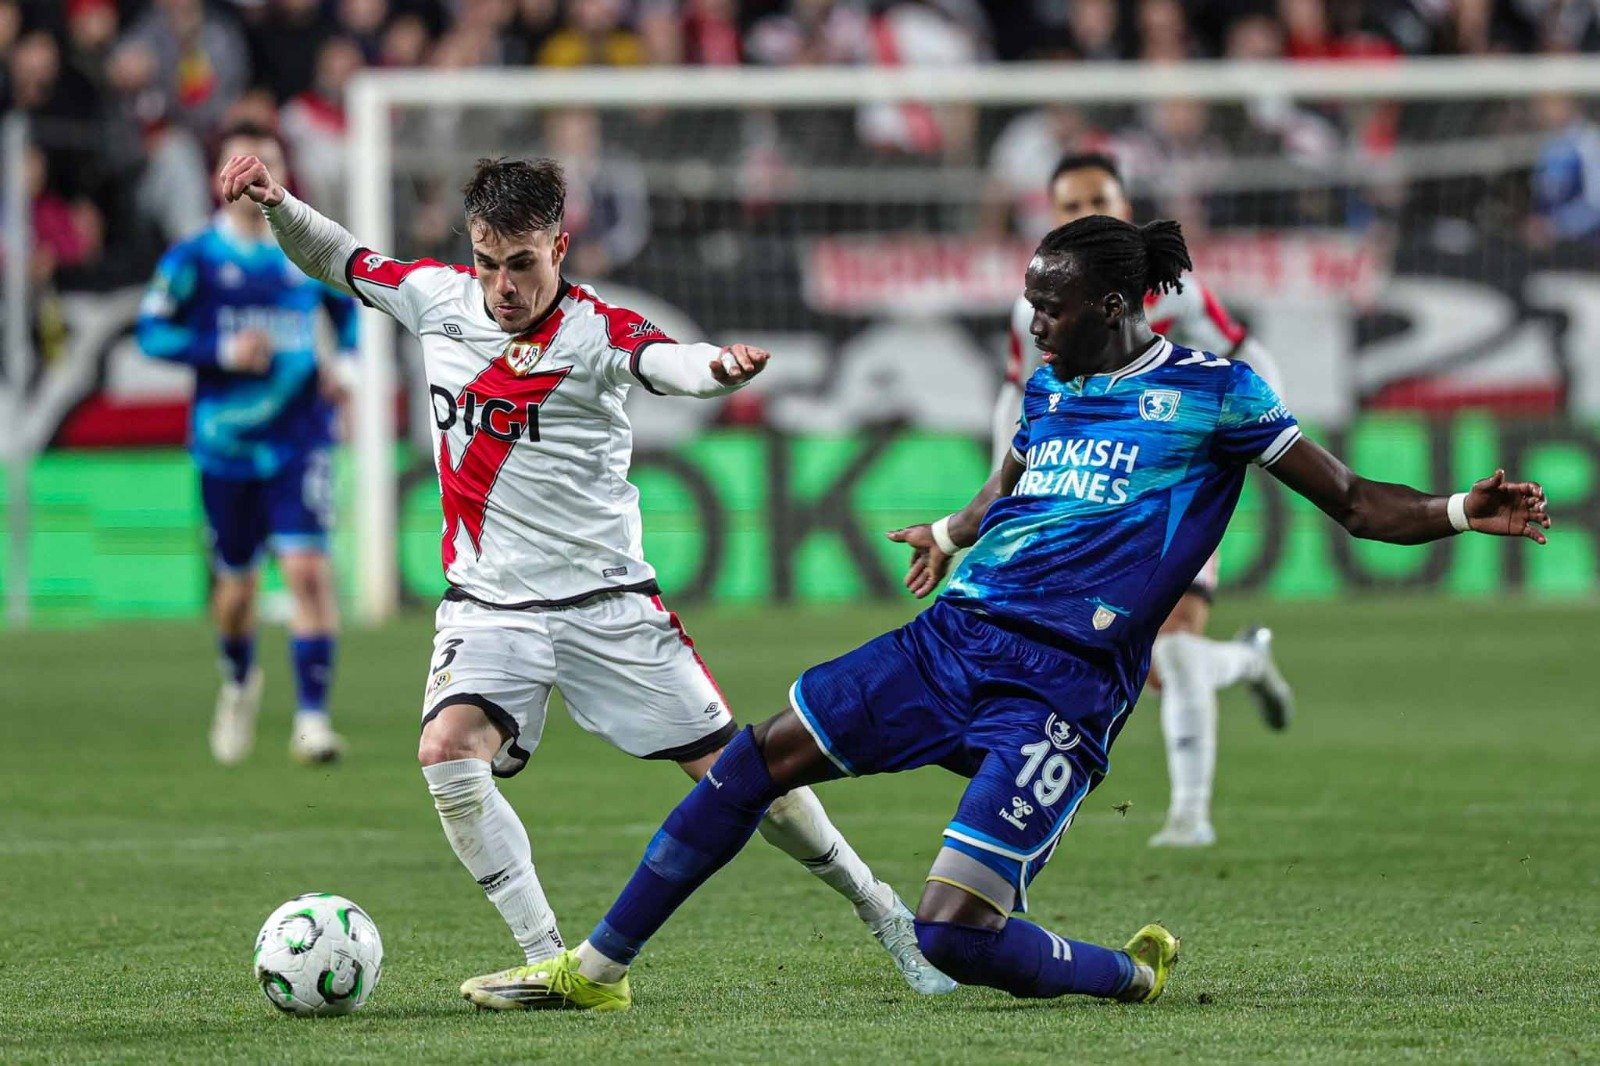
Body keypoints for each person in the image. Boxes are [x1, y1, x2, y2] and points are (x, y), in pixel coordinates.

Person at [489, 214, 1549, 1011]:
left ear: (1115, 306)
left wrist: (1461, 509)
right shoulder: (1047, 390)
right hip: (952, 640)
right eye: (1030, 302)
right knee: (750, 759)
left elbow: (1356, 503)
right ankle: (598, 968)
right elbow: (1013, 486)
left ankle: (1127, 975)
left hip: (1062, 690)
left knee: (952, 935)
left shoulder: (1216, 393)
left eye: (1052, 307)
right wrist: (950, 534)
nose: (1033, 323)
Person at [217, 152, 954, 999]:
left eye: (522, 264)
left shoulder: (596, 329)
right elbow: (339, 257)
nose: (503, 287)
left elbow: (664, 360)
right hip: (489, 605)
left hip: (608, 607)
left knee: (749, 778)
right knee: (445, 751)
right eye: (487, 263)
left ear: (559, 248)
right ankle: (550, 957)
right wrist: (278, 204)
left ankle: (882, 911)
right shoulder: (434, 298)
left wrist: (716, 369)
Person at [993, 151, 1291, 848]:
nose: (1085, 212)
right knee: (1140, 660)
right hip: (1089, 497)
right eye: (1070, 205)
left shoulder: (1173, 290)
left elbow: (1246, 351)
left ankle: (1190, 815)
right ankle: (1248, 661)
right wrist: (1004, 483)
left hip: (1175, 490)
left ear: (1126, 207)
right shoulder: (1033, 305)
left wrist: (1272, 433)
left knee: (1175, 645)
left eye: (1098, 199)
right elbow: (1015, 396)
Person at [137, 122, 355, 766]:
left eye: (272, 165)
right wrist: (223, 350)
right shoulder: (195, 258)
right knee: (236, 594)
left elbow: (349, 314)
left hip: (300, 438)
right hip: (225, 447)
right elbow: (151, 332)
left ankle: (312, 721)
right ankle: (238, 681)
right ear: (221, 178)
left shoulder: (304, 251)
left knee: (308, 572)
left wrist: (345, 368)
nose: (260, 178)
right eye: (246, 165)